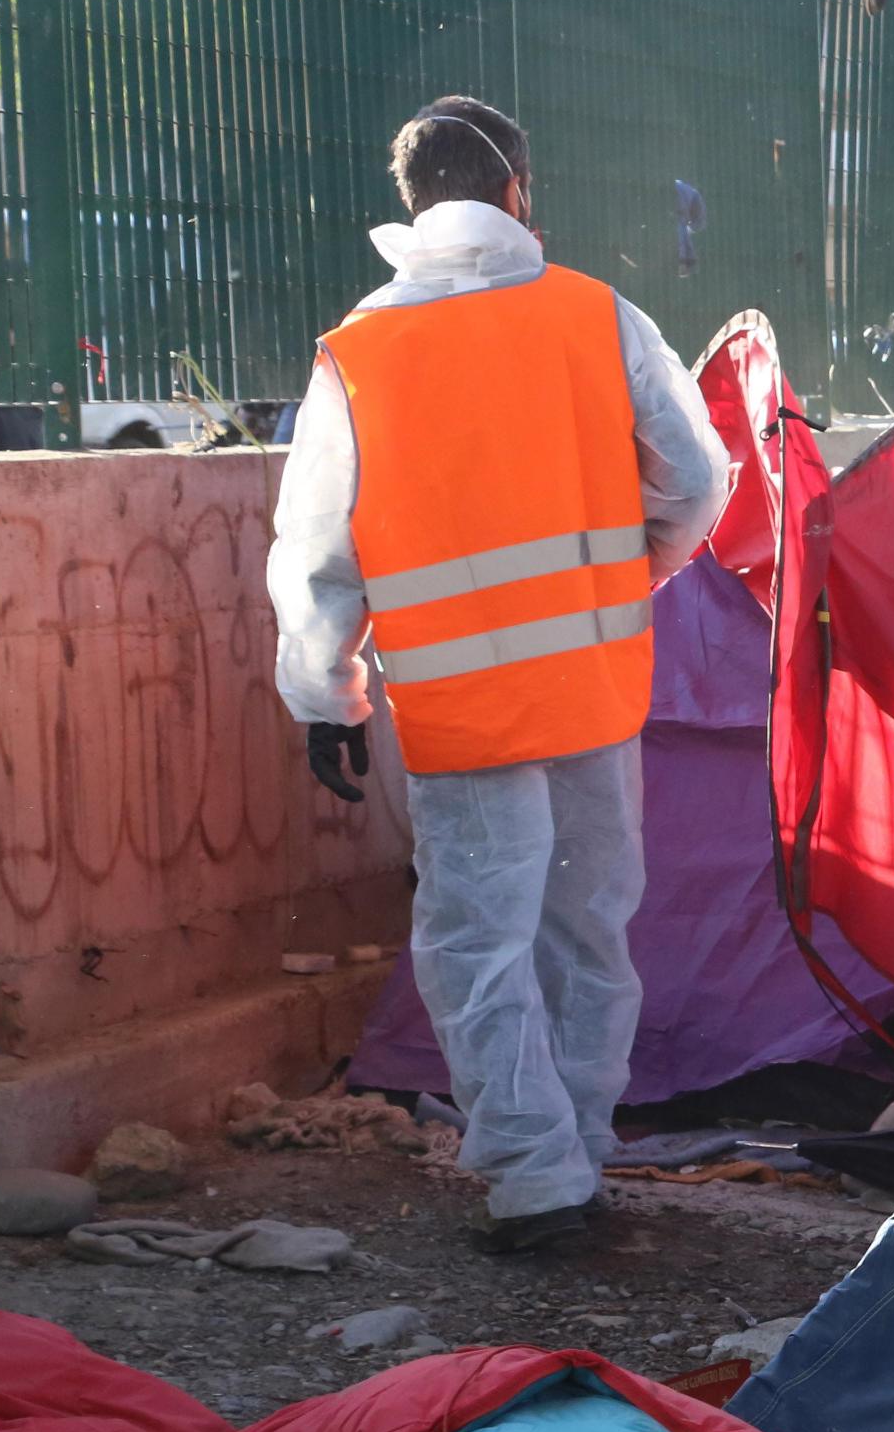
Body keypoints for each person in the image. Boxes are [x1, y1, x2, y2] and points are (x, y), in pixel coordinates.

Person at [266, 96, 728, 1255]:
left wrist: (327, 693)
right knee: (589, 931)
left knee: (478, 939)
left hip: (459, 706)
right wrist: (637, 569)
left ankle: (537, 1178)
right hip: (589, 685)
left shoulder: (359, 352)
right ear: (519, 190)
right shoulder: (596, 314)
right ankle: (580, 1150)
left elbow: (320, 548)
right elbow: (695, 478)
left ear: (413, 203)